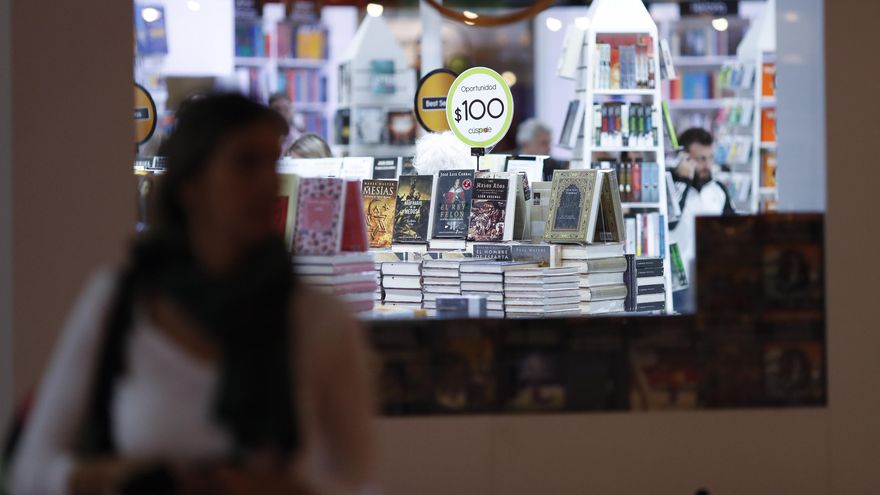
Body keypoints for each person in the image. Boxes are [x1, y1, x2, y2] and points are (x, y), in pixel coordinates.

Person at [9, 94, 376, 495]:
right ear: (191, 184)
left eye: (272, 163)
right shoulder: (122, 301)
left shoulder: (316, 316)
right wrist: (113, 478)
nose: (269, 183)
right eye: (245, 164)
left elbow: (362, 482)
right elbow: (30, 470)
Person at [669, 127, 735, 313]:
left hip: (712, 277)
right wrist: (683, 180)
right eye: (701, 159)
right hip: (678, 279)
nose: (707, 165)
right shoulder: (672, 185)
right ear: (684, 158)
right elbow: (670, 223)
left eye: (710, 158)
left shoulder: (718, 189)